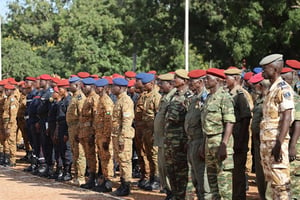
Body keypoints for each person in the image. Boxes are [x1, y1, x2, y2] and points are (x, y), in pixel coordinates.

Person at [259, 54, 294, 199]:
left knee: (281, 185)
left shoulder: (283, 88)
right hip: (267, 144)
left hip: (276, 143)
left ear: (274, 68)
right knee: (272, 184)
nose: (262, 72)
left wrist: (279, 143)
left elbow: (287, 117)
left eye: (265, 69)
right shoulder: (270, 89)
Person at [200, 68, 235, 199]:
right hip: (209, 144)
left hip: (220, 142)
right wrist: (203, 145)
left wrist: (224, 144)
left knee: (224, 187)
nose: (205, 81)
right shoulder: (209, 98)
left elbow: (230, 122)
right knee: (212, 184)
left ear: (218, 80)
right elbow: (206, 125)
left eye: (208, 78)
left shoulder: (225, 97)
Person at [224, 67, 252, 200]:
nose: (225, 79)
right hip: (232, 140)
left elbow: (246, 118)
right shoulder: (229, 93)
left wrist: (240, 141)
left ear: (235, 78)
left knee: (238, 173)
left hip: (238, 140)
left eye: (227, 77)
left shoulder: (241, 95)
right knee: (232, 172)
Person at [164, 69, 192, 200]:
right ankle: (175, 195)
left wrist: (187, 140)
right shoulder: (173, 95)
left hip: (181, 141)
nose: (174, 79)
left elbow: (190, 121)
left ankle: (182, 196)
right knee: (171, 170)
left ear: (185, 81)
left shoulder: (189, 97)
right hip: (170, 141)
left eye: (177, 78)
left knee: (182, 172)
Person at [185, 69, 210, 199]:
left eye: (192, 81)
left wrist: (203, 145)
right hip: (192, 141)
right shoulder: (195, 98)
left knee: (203, 179)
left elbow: (206, 125)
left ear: (200, 82)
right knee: (195, 179)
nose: (189, 83)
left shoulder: (206, 98)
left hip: (200, 142)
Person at [111, 78, 135, 196]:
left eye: (114, 86)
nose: (112, 88)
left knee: (125, 161)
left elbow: (127, 121)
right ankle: (123, 183)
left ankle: (126, 186)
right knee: (120, 160)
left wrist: (122, 137)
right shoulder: (119, 100)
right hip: (117, 135)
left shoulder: (125, 101)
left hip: (123, 136)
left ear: (120, 88)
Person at [154, 73, 176, 199]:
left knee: (168, 167)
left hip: (169, 139)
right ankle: (168, 190)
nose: (160, 85)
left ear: (170, 84)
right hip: (161, 138)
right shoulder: (165, 96)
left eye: (162, 83)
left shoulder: (173, 97)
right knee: (162, 167)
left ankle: (172, 192)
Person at [249, 73, 270, 200]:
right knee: (260, 177)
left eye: (254, 86)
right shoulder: (259, 99)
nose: (253, 88)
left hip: (267, 143)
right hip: (257, 143)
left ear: (260, 85)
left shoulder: (269, 99)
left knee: (268, 177)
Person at [281, 67, 300, 199]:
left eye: (284, 79)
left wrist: (292, 146)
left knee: (294, 182)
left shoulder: (294, 98)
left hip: (294, 145)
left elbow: (298, 123)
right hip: (283, 144)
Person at [140, 73, 161, 191]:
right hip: (146, 130)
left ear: (152, 84)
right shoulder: (147, 96)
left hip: (153, 130)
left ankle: (157, 180)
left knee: (154, 155)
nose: (143, 86)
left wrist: (155, 132)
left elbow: (158, 116)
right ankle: (152, 177)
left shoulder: (156, 97)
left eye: (145, 84)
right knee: (148, 154)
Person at [93, 78, 114, 192]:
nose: (96, 89)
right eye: (95, 87)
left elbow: (108, 121)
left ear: (105, 88)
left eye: (98, 87)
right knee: (103, 158)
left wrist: (106, 137)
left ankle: (108, 182)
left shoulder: (106, 101)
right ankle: (104, 179)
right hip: (99, 134)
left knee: (107, 158)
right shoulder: (100, 100)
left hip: (104, 135)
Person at [66, 76, 86, 186]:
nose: (69, 87)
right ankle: (76, 175)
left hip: (77, 127)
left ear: (77, 85)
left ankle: (81, 177)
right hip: (72, 127)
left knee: (80, 153)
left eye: (71, 85)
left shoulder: (80, 98)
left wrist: (79, 130)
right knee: (74, 152)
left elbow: (81, 116)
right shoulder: (74, 97)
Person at [79, 77, 99, 189]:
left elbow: (95, 118)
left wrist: (92, 133)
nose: (83, 88)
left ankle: (94, 178)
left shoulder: (94, 99)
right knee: (88, 155)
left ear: (91, 87)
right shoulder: (88, 98)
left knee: (92, 155)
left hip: (90, 132)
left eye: (85, 86)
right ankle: (91, 177)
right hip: (84, 132)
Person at [55, 79, 72, 181]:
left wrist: (66, 132)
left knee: (67, 150)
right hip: (60, 126)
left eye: (60, 88)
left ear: (65, 89)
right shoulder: (61, 101)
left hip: (66, 127)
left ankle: (68, 172)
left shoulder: (68, 100)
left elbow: (68, 118)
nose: (58, 90)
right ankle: (64, 171)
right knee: (61, 149)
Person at [2, 84, 20, 167]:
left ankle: (13, 160)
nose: (5, 91)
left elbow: (13, 115)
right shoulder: (7, 99)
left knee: (11, 141)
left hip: (10, 123)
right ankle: (7, 158)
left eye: (7, 90)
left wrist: (9, 127)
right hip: (5, 122)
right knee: (6, 141)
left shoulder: (13, 100)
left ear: (11, 90)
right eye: (5, 90)